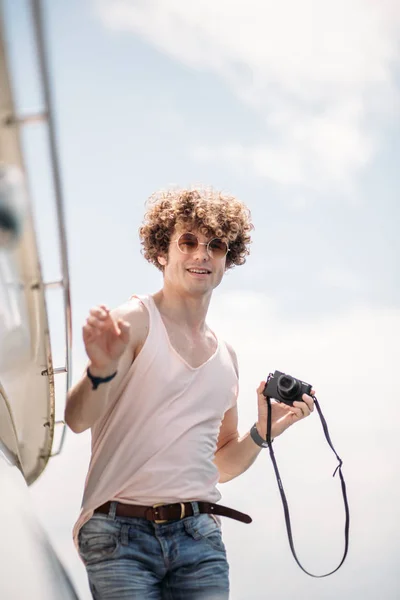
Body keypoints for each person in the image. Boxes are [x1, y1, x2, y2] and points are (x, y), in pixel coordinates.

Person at [65, 187, 314, 600]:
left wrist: (262, 432)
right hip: (119, 534)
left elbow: (220, 465)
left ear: (227, 260)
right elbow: (76, 420)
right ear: (161, 251)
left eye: (216, 246)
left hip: (200, 537)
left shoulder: (226, 358)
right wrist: (100, 371)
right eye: (188, 241)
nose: (202, 254)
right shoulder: (134, 322)